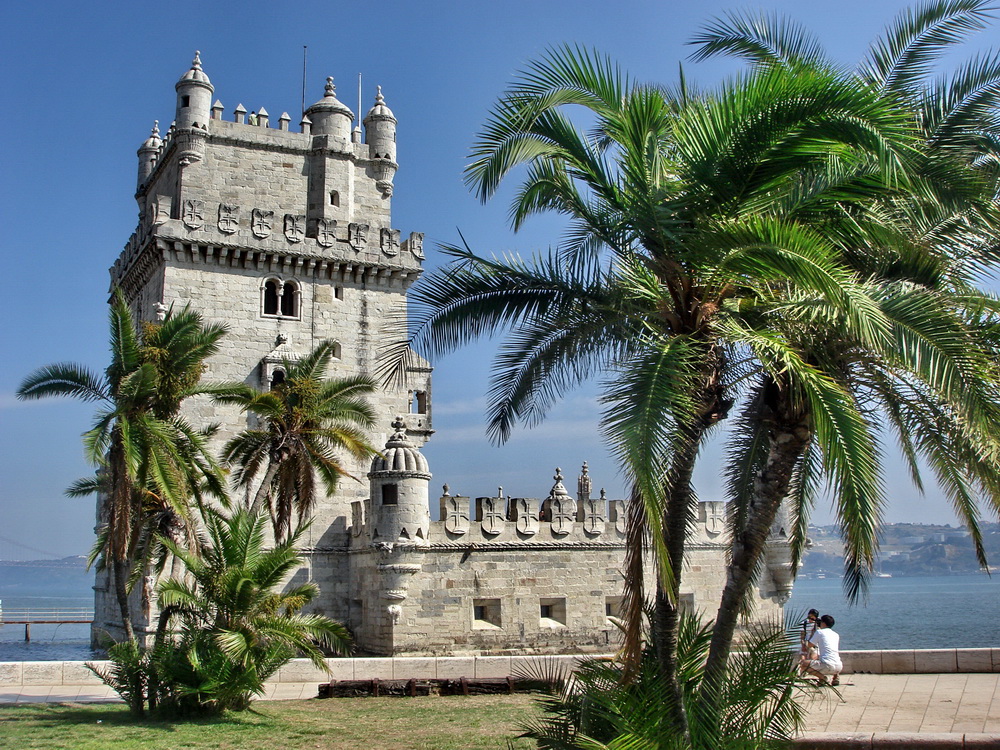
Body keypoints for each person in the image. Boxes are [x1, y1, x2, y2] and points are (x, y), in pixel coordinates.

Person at [800, 614, 842, 686]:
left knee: (803, 664)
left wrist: (805, 639)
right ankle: (835, 678)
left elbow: (810, 645)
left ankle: (822, 678)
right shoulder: (836, 634)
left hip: (827, 666)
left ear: (823, 623)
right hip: (839, 667)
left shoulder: (819, 632)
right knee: (825, 657)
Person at [798, 609, 820, 674]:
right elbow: (802, 636)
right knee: (803, 658)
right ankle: (803, 672)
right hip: (806, 643)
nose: (810, 620)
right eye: (809, 617)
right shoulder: (804, 623)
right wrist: (803, 645)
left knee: (813, 658)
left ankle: (809, 671)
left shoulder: (818, 624)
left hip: (815, 645)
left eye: (812, 618)